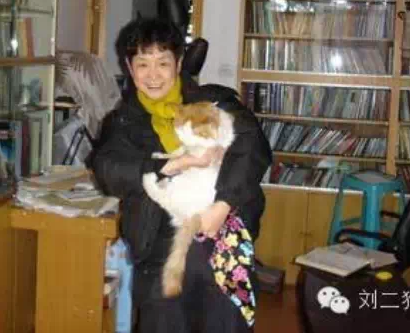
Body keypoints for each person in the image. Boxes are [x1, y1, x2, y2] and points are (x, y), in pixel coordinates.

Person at [88, 17, 272, 333]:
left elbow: (253, 147)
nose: (153, 75)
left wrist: (223, 205)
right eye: (143, 64)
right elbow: (107, 170)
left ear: (179, 63)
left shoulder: (215, 101)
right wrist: (170, 165)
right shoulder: (121, 122)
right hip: (160, 246)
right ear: (130, 68)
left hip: (222, 239)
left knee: (225, 325)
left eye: (163, 62)